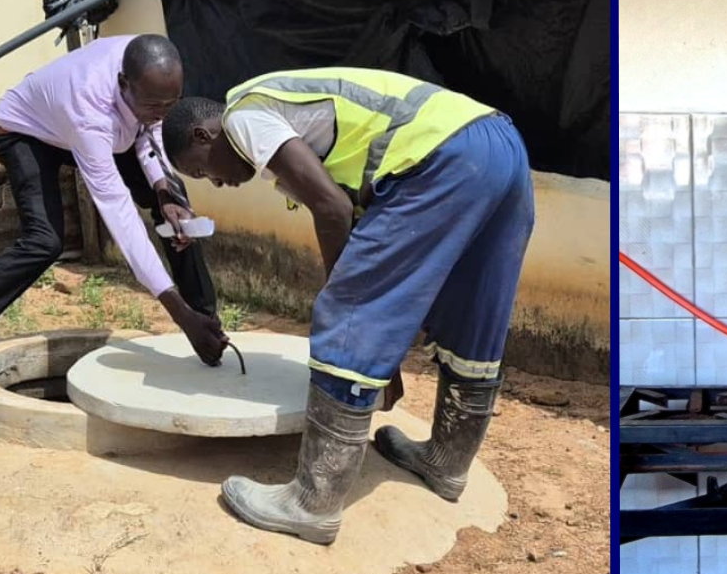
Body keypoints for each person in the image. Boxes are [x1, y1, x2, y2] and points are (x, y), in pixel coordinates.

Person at [161, 66, 534, 544]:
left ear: (203, 134)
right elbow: (351, 221)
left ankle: (311, 503)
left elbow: (333, 210)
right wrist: (379, 356)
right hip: (498, 144)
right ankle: (446, 462)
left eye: (199, 169)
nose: (213, 183)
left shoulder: (245, 115)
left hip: (443, 155)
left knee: (345, 309)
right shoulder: (294, 125)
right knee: (473, 309)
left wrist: (359, 324)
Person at [0, 34, 227, 365]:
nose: (162, 114)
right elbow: (119, 212)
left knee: (174, 201)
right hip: (27, 132)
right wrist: (175, 311)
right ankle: (190, 319)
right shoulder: (89, 110)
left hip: (108, 129)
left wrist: (163, 185)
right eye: (153, 105)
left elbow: (153, 130)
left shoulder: (150, 67)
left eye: (171, 104)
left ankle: (206, 320)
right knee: (44, 241)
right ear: (124, 83)